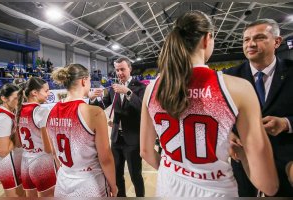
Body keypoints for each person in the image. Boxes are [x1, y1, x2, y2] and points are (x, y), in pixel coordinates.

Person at [140, 11, 279, 197]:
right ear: (207, 39)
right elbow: (268, 185)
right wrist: (241, 153)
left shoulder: (152, 88)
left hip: (168, 188)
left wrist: (174, 172)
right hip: (216, 191)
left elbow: (146, 151)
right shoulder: (238, 88)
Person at [225, 19, 293, 197]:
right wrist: (227, 135)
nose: (251, 44)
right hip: (244, 159)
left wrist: (286, 123)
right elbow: (220, 117)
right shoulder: (229, 76)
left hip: (286, 160)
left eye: (259, 37)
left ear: (277, 42)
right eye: (246, 40)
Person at [46, 63, 117, 197]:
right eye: (89, 80)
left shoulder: (51, 111)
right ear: (84, 80)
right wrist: (113, 185)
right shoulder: (94, 112)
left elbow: (54, 152)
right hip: (89, 182)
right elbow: (106, 158)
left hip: (63, 179)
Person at [90, 57, 146, 197]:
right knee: (117, 175)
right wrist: (92, 98)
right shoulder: (114, 89)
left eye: (122, 69)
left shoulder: (140, 87)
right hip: (116, 139)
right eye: (117, 70)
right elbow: (101, 106)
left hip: (133, 140)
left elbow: (142, 108)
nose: (119, 72)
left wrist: (128, 92)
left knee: (135, 176)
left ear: (130, 69)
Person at [16, 77, 56, 197]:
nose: (49, 93)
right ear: (34, 92)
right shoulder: (41, 111)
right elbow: (48, 148)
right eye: (46, 91)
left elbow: (18, 143)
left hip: (25, 162)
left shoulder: (19, 110)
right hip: (41, 162)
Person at [0, 83, 25, 197]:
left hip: (13, 163)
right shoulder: (3, 118)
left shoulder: (10, 113)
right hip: (8, 165)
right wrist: (15, 141)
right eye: (16, 98)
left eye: (20, 98)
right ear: (4, 98)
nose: (19, 101)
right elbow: (2, 151)